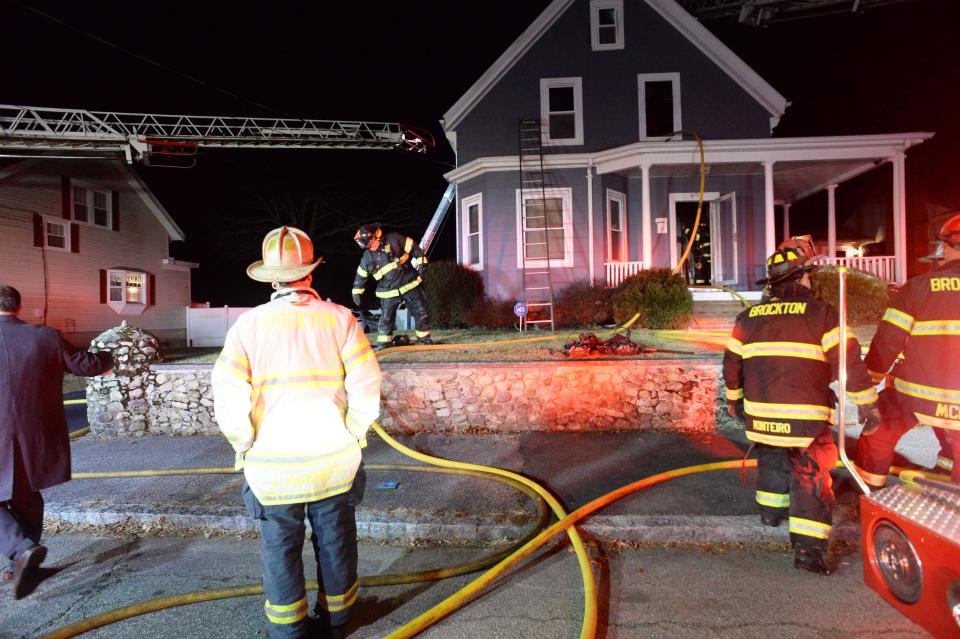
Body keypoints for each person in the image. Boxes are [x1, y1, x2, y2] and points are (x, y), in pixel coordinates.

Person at [212, 226, 381, 639]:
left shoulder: (247, 327)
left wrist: (245, 443)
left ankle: (289, 630)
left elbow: (228, 397)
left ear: (272, 278)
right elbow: (367, 386)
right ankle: (339, 621)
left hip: (272, 470)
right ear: (311, 272)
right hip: (333, 462)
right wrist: (353, 433)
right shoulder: (341, 320)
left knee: (280, 549)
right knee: (336, 543)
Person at [723, 248, 879, 574]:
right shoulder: (822, 314)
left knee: (771, 456)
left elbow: (732, 365)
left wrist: (734, 400)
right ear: (802, 276)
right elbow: (847, 362)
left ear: (773, 284)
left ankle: (770, 513)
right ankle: (808, 552)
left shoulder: (748, 317)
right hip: (807, 419)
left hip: (762, 415)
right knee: (811, 473)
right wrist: (867, 402)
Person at [0, 284, 112, 599]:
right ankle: (22, 562)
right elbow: (87, 365)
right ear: (19, 307)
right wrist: (110, 356)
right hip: (34, 435)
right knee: (29, 499)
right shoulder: (45, 337)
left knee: (25, 499)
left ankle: (21, 553)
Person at [854, 213, 960, 486]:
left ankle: (869, 491)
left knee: (878, 431)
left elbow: (887, 341)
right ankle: (950, 491)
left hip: (916, 395)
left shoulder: (918, 288)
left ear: (949, 246)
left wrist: (870, 383)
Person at [351, 224, 432, 350]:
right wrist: (357, 291)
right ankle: (384, 344)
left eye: (374, 241)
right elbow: (361, 275)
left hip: (409, 283)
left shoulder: (395, 239)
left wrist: (421, 261)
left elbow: (414, 248)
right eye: (370, 243)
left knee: (421, 312)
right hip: (388, 291)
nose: (373, 245)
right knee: (386, 319)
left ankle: (424, 338)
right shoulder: (367, 257)